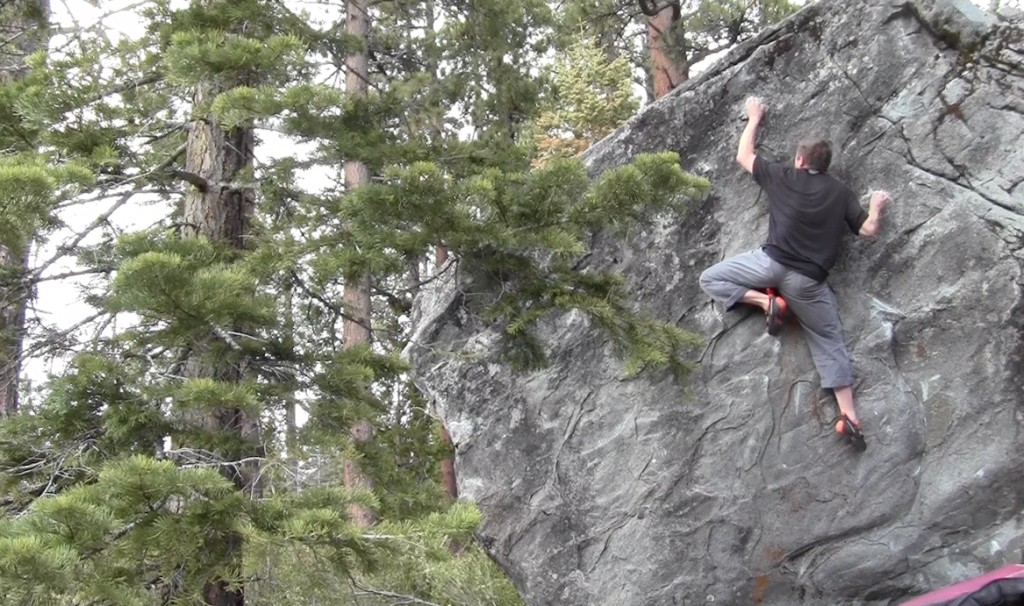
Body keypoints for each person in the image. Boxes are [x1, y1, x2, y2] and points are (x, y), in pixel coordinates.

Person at [698, 96, 891, 450]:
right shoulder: (840, 193)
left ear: (800, 161)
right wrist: (876, 207)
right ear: (826, 166)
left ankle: (764, 303)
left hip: (769, 263)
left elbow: (744, 155)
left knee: (710, 278)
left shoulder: (784, 176)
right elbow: (867, 230)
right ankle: (849, 416)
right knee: (828, 340)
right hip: (808, 282)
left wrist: (754, 118)